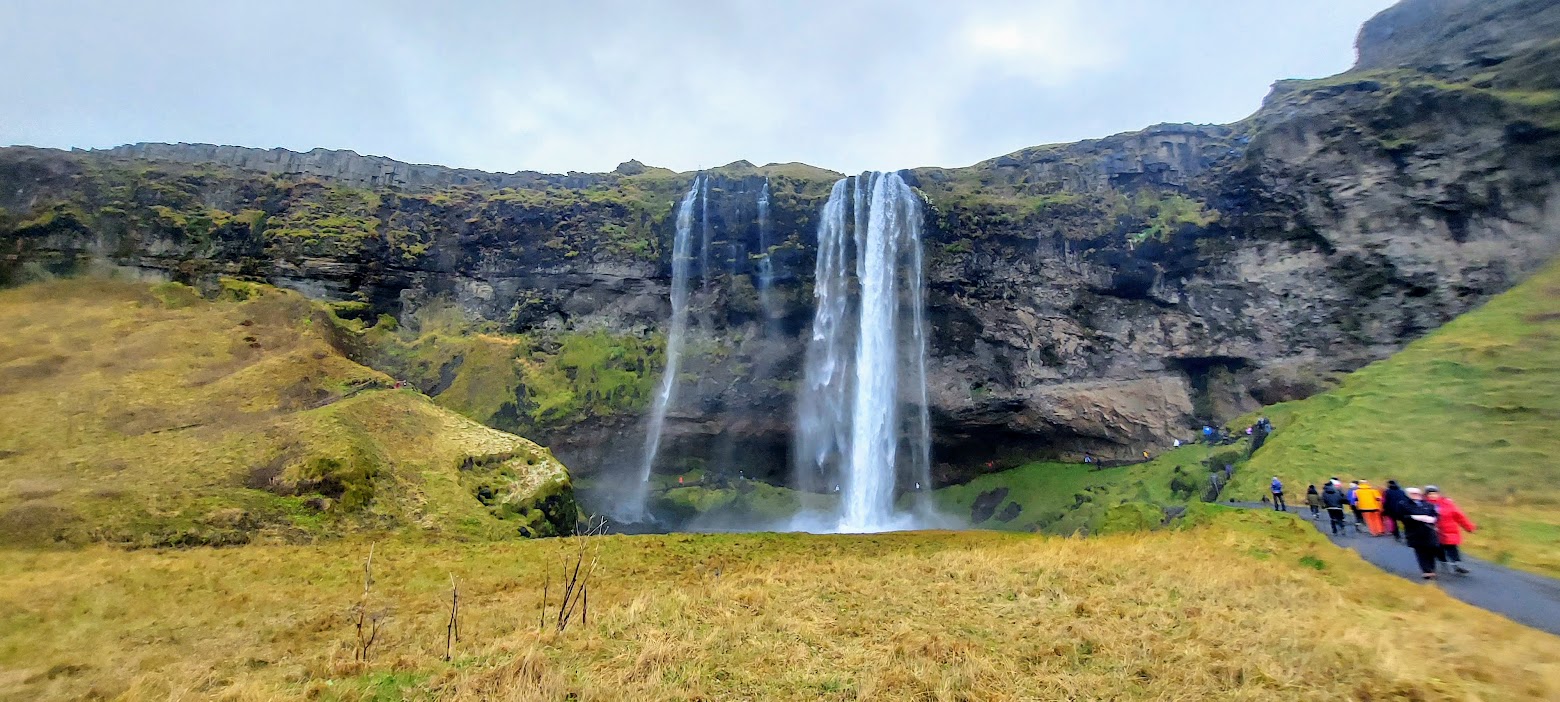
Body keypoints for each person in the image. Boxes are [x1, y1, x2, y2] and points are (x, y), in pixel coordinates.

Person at [1425, 486, 1476, 575]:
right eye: (1430, 494)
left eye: (1434, 493)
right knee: (1438, 550)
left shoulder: (1447, 503)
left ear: (1438, 494)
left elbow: (1459, 516)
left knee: (1452, 549)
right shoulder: (1424, 505)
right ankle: (1443, 565)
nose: (1433, 496)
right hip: (1433, 532)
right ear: (1426, 495)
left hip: (1449, 532)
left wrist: (1469, 527)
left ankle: (1456, 566)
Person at [1400, 487, 1442, 580]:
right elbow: (1402, 517)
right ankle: (1426, 571)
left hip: (1429, 531)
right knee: (1421, 551)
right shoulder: (1405, 504)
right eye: (1413, 494)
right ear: (1409, 495)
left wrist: (1433, 519)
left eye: (1417, 493)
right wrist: (1414, 517)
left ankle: (1431, 568)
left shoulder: (1428, 504)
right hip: (1414, 532)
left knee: (1431, 550)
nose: (1416, 495)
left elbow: (1435, 514)